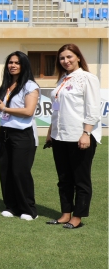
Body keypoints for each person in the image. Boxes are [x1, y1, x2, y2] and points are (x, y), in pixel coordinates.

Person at [47, 44, 102, 229]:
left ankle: (77, 217)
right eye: (62, 58)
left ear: (78, 57)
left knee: (81, 179)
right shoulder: (62, 79)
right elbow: (56, 109)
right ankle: (65, 214)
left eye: (69, 57)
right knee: (64, 179)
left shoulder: (87, 78)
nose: (66, 61)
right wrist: (50, 132)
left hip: (79, 136)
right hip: (59, 136)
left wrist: (86, 133)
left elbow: (93, 108)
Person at [0, 51, 41, 221]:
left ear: (24, 65)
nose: (13, 65)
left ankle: (29, 210)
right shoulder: (5, 85)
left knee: (20, 172)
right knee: (6, 171)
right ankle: (12, 206)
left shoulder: (30, 86)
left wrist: (5, 109)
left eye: (17, 62)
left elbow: (28, 111)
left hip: (23, 134)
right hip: (5, 132)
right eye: (10, 62)